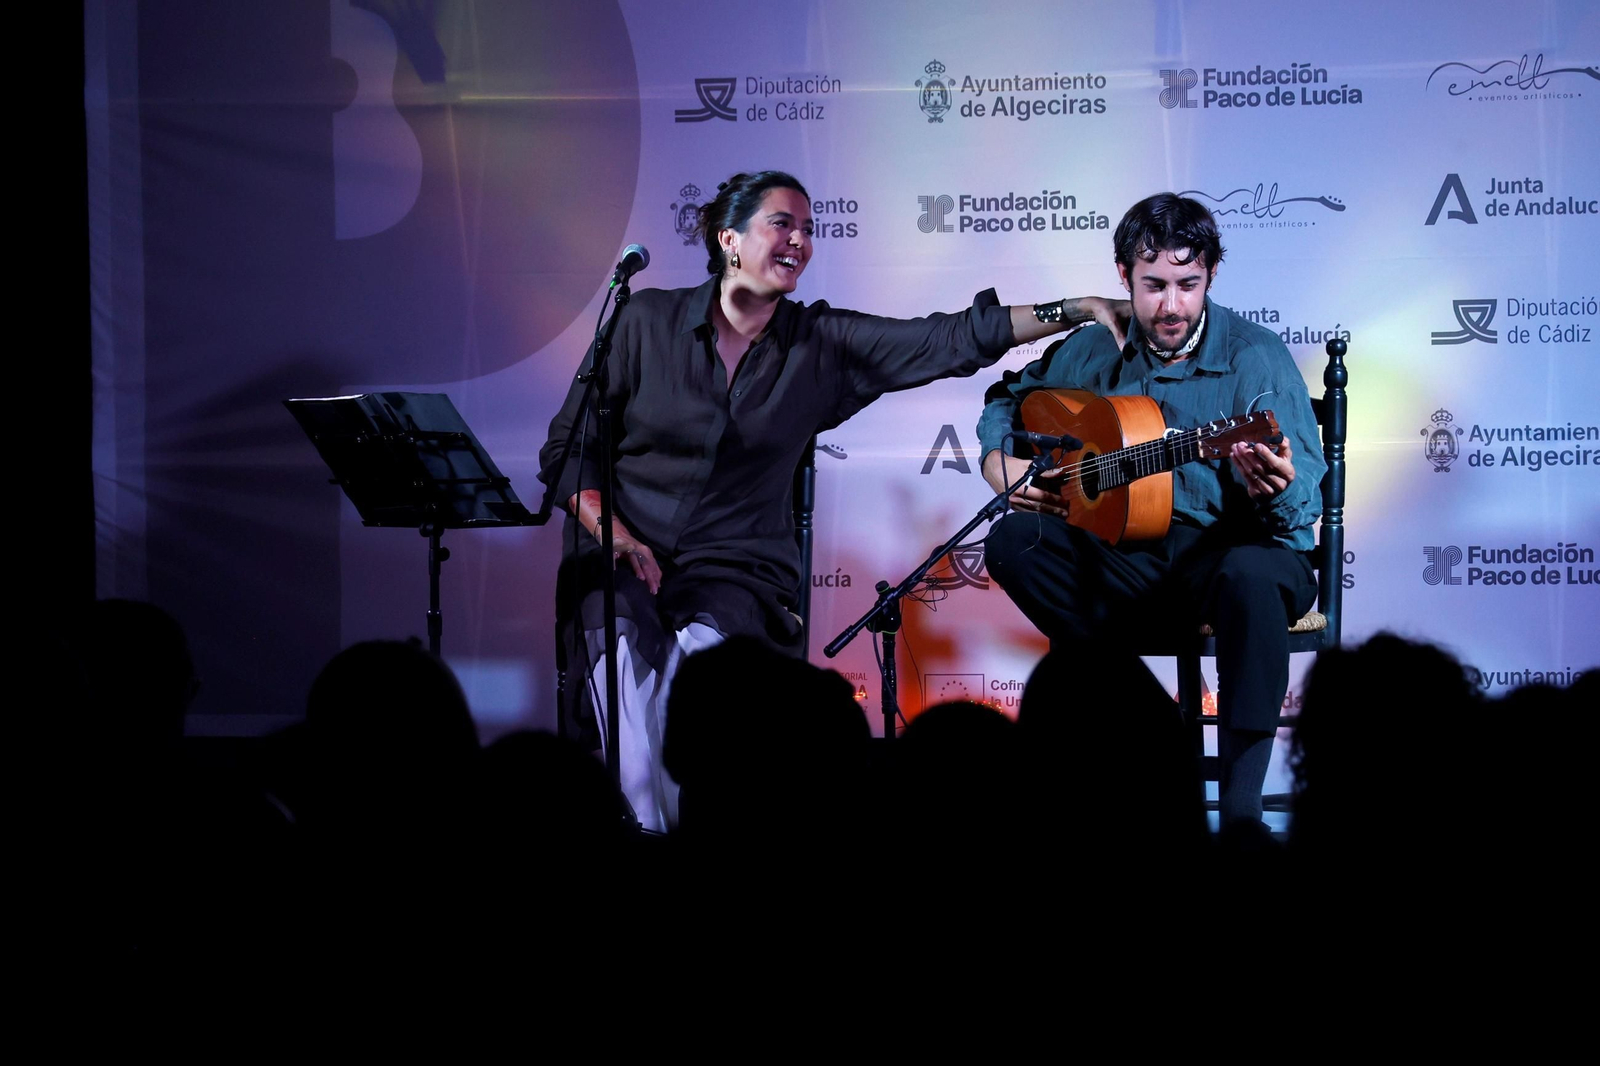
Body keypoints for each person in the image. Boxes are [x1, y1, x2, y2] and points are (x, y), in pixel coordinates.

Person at [538, 169, 1127, 831]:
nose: (800, 240)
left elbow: (953, 337)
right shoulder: (644, 320)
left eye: (810, 229)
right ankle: (645, 828)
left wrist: (1073, 309)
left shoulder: (821, 344)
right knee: (625, 697)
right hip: (620, 558)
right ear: (731, 239)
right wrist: (611, 530)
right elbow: (567, 449)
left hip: (733, 572)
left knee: (699, 697)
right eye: (782, 224)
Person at [977, 192, 1326, 827]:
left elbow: (1301, 517)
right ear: (1123, 276)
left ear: (1212, 275)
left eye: (1188, 285)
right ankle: (1140, 731)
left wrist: (1275, 489)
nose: (1171, 305)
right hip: (1136, 562)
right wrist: (999, 463)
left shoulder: (1255, 357)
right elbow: (1008, 397)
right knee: (1012, 542)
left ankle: (1241, 813)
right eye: (1154, 285)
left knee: (1249, 574)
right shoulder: (1092, 350)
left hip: (1237, 557)